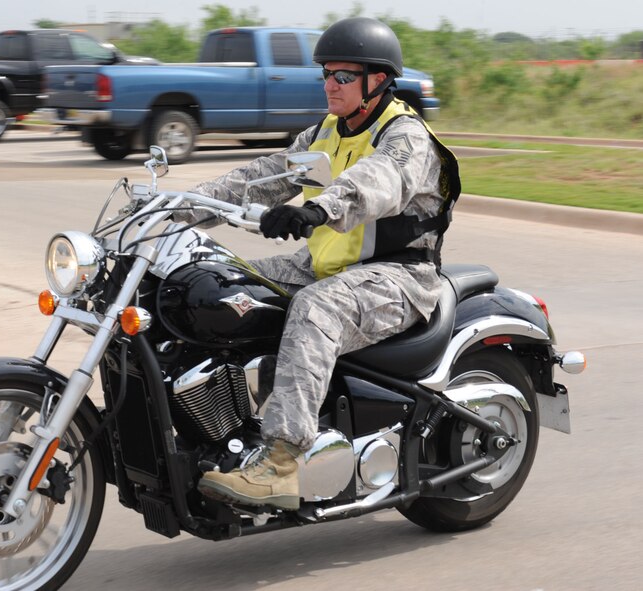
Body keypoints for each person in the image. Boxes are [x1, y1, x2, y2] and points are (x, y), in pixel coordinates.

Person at [196, 17, 461, 510]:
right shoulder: (324, 133)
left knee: (317, 309)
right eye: (326, 74)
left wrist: (318, 209)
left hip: (398, 276)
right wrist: (176, 206)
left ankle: (280, 462)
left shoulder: (405, 135)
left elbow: (377, 181)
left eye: (342, 76)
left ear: (376, 80)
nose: (330, 85)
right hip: (324, 265)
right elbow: (261, 177)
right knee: (216, 277)